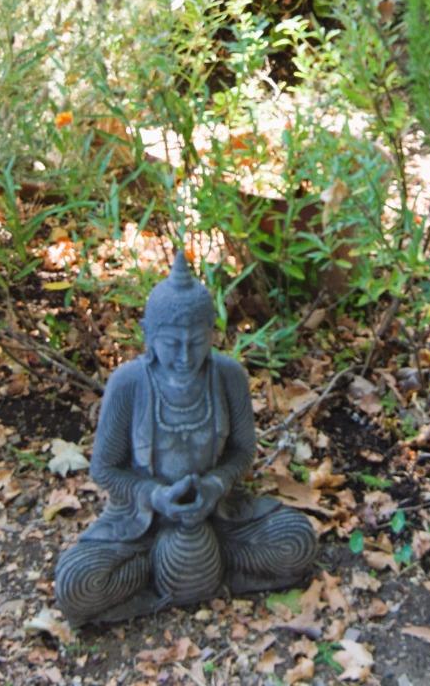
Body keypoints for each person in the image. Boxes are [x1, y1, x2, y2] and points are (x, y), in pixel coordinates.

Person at [54, 249, 318, 626]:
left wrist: (215, 484)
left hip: (219, 513)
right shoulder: (129, 384)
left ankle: (199, 569)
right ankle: (180, 570)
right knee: (76, 583)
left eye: (196, 342)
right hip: (143, 522)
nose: (183, 356)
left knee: (297, 540)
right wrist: (155, 496)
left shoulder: (228, 376)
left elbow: (244, 451)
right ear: (148, 335)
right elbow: (105, 469)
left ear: (212, 333)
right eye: (171, 342)